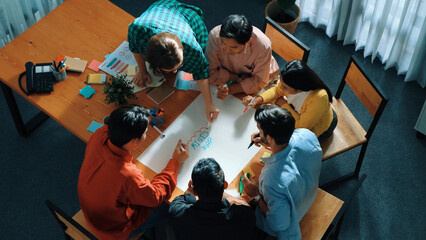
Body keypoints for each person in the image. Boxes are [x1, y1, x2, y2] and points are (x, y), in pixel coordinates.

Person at [78, 105, 188, 240]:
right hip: (112, 228)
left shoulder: (100, 134)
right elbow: (156, 196)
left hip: (92, 208)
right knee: (169, 206)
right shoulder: (127, 174)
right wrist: (174, 162)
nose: (146, 134)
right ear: (134, 142)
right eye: (146, 132)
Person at [127, 0, 219, 122]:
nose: (175, 71)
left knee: (205, 56)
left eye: (178, 66)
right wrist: (142, 70)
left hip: (186, 17)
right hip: (159, 11)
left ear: (183, 51)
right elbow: (134, 47)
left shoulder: (193, 48)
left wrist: (209, 103)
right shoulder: (137, 29)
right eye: (170, 69)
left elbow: (201, 71)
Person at [242, 105, 322, 239]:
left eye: (260, 130)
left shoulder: (271, 180)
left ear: (270, 137)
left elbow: (279, 224)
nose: (258, 133)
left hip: (291, 222)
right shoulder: (306, 134)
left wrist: (255, 195)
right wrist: (267, 140)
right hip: (309, 192)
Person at [243, 60, 337, 139]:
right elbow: (276, 90)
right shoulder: (290, 82)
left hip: (320, 127)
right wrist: (258, 99)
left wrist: (284, 105)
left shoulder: (319, 98)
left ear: (299, 88)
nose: (281, 88)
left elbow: (301, 127)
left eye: (284, 87)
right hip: (300, 114)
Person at [169, 158, 257, 240]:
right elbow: (243, 204)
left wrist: (192, 192)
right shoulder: (243, 215)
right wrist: (228, 197)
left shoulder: (177, 212)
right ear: (225, 185)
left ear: (193, 188)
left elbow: (185, 198)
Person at [206, 14, 279, 100]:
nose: (228, 51)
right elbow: (209, 72)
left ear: (248, 41)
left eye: (234, 47)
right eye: (224, 44)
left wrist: (230, 90)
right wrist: (237, 77)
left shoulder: (263, 46)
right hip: (233, 76)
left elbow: (259, 81)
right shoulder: (215, 36)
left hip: (265, 80)